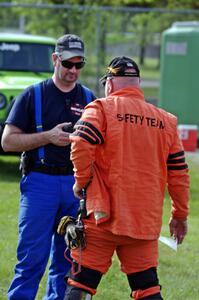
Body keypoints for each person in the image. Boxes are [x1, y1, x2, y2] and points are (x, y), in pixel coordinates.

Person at [63, 56, 190, 299]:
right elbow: (179, 174)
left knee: (81, 285)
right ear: (138, 84)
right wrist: (179, 215)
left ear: (109, 83)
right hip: (143, 223)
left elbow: (80, 141)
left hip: (102, 218)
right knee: (147, 287)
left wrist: (82, 181)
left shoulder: (101, 108)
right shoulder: (167, 121)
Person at [1, 34, 95, 300]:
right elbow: (7, 142)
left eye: (79, 65)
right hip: (40, 184)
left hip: (75, 188)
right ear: (55, 60)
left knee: (67, 261)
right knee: (31, 259)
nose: (73, 71)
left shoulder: (89, 98)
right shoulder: (32, 95)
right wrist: (48, 137)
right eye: (68, 64)